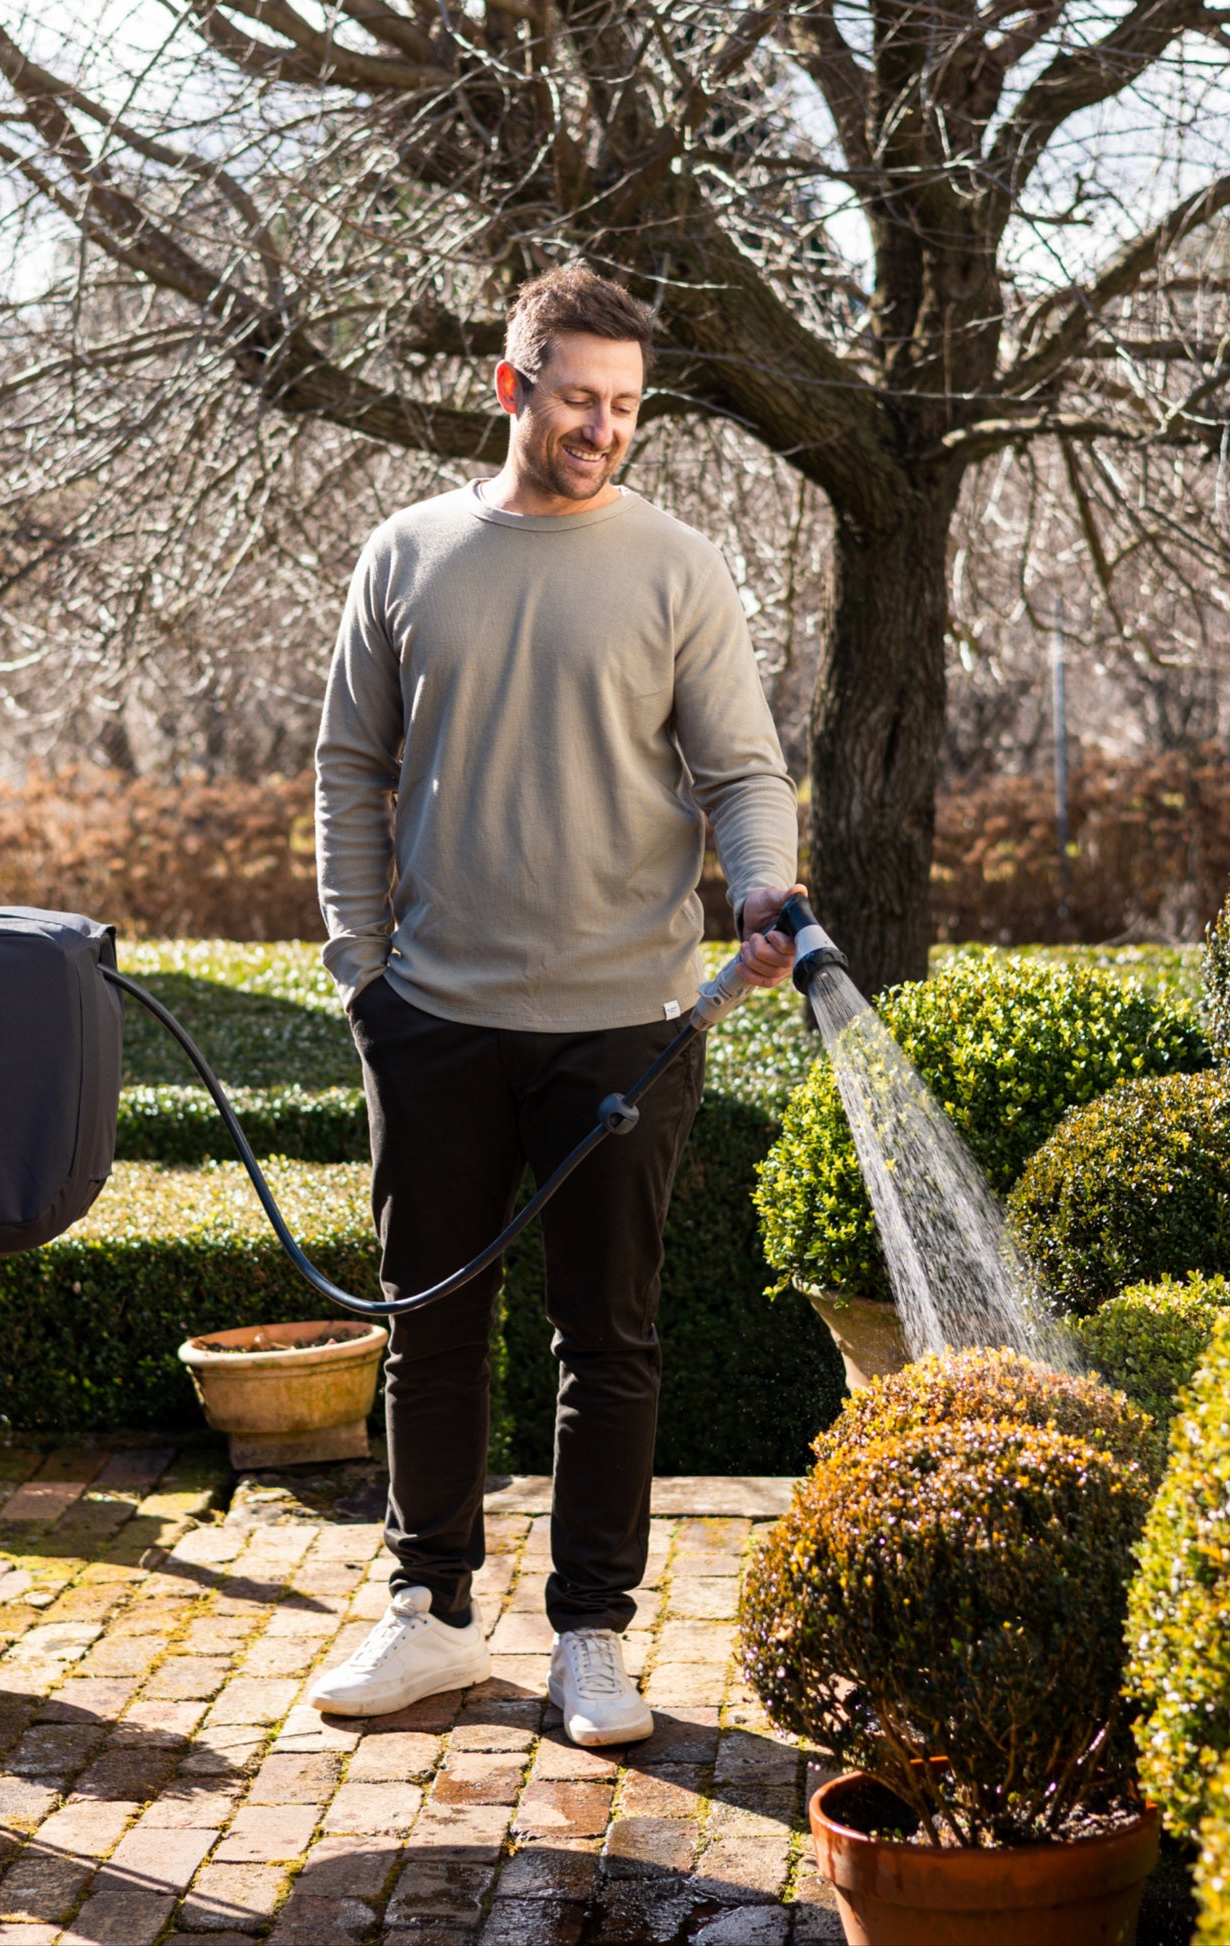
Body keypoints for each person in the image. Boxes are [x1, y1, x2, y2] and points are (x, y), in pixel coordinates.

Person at [307, 263, 804, 1746]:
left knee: (610, 1340)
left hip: (629, 1023)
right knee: (431, 1324)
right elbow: (348, 767)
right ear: (511, 385)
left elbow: (741, 771)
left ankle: (591, 1633)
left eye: (625, 407)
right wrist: (359, 968)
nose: (603, 428)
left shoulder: (677, 566)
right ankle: (430, 1615)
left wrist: (762, 889)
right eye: (578, 397)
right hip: (436, 1015)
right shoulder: (404, 555)